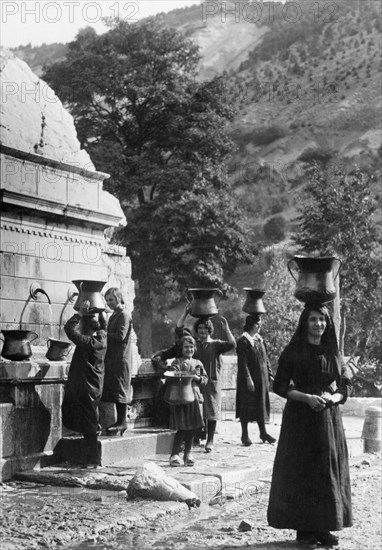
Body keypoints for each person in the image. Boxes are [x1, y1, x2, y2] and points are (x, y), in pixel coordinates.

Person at [267, 304, 353, 547]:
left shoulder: (333, 351)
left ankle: (323, 527)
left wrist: (333, 398)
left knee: (325, 471)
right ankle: (304, 530)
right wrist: (306, 398)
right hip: (300, 421)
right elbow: (280, 386)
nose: (318, 324)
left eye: (322, 320)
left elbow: (346, 384)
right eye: (313, 319)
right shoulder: (294, 351)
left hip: (328, 419)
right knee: (303, 471)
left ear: (328, 324)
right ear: (305, 322)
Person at [180, 314, 235, 453]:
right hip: (197, 382)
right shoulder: (195, 344)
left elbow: (232, 344)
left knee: (211, 410)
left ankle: (210, 440)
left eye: (205, 329)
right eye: (200, 329)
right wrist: (185, 314)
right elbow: (180, 330)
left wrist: (227, 329)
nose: (202, 332)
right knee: (197, 409)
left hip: (212, 382)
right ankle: (196, 438)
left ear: (209, 330)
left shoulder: (216, 344)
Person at [62, 301, 107, 467]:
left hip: (86, 388)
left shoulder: (87, 342)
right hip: (94, 387)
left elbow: (68, 329)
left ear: (85, 327)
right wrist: (101, 310)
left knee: (89, 426)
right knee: (89, 422)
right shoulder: (102, 337)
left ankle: (94, 459)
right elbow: (104, 325)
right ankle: (89, 456)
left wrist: (79, 314)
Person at [167, 335, 208, 467]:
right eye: (186, 347)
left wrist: (197, 377)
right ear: (181, 348)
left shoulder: (198, 363)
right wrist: (182, 373)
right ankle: (174, 454)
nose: (189, 349)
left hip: (195, 397)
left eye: (191, 347)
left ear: (195, 348)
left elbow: (205, 379)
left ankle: (188, 453)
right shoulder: (177, 362)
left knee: (193, 427)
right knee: (182, 427)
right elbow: (171, 374)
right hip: (181, 396)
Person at [236, 314, 276, 446]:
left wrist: (269, 374)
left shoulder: (260, 340)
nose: (259, 326)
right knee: (246, 406)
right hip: (248, 380)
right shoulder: (243, 341)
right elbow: (243, 363)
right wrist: (248, 379)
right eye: (258, 324)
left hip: (261, 379)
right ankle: (244, 435)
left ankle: (263, 433)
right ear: (252, 325)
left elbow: (266, 359)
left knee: (260, 405)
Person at [101, 287, 132, 436]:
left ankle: (122, 422)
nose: (109, 303)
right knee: (115, 389)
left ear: (119, 298)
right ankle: (119, 422)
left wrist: (103, 334)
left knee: (120, 389)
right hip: (114, 358)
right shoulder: (115, 314)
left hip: (121, 359)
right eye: (107, 300)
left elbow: (120, 336)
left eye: (111, 300)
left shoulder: (124, 315)